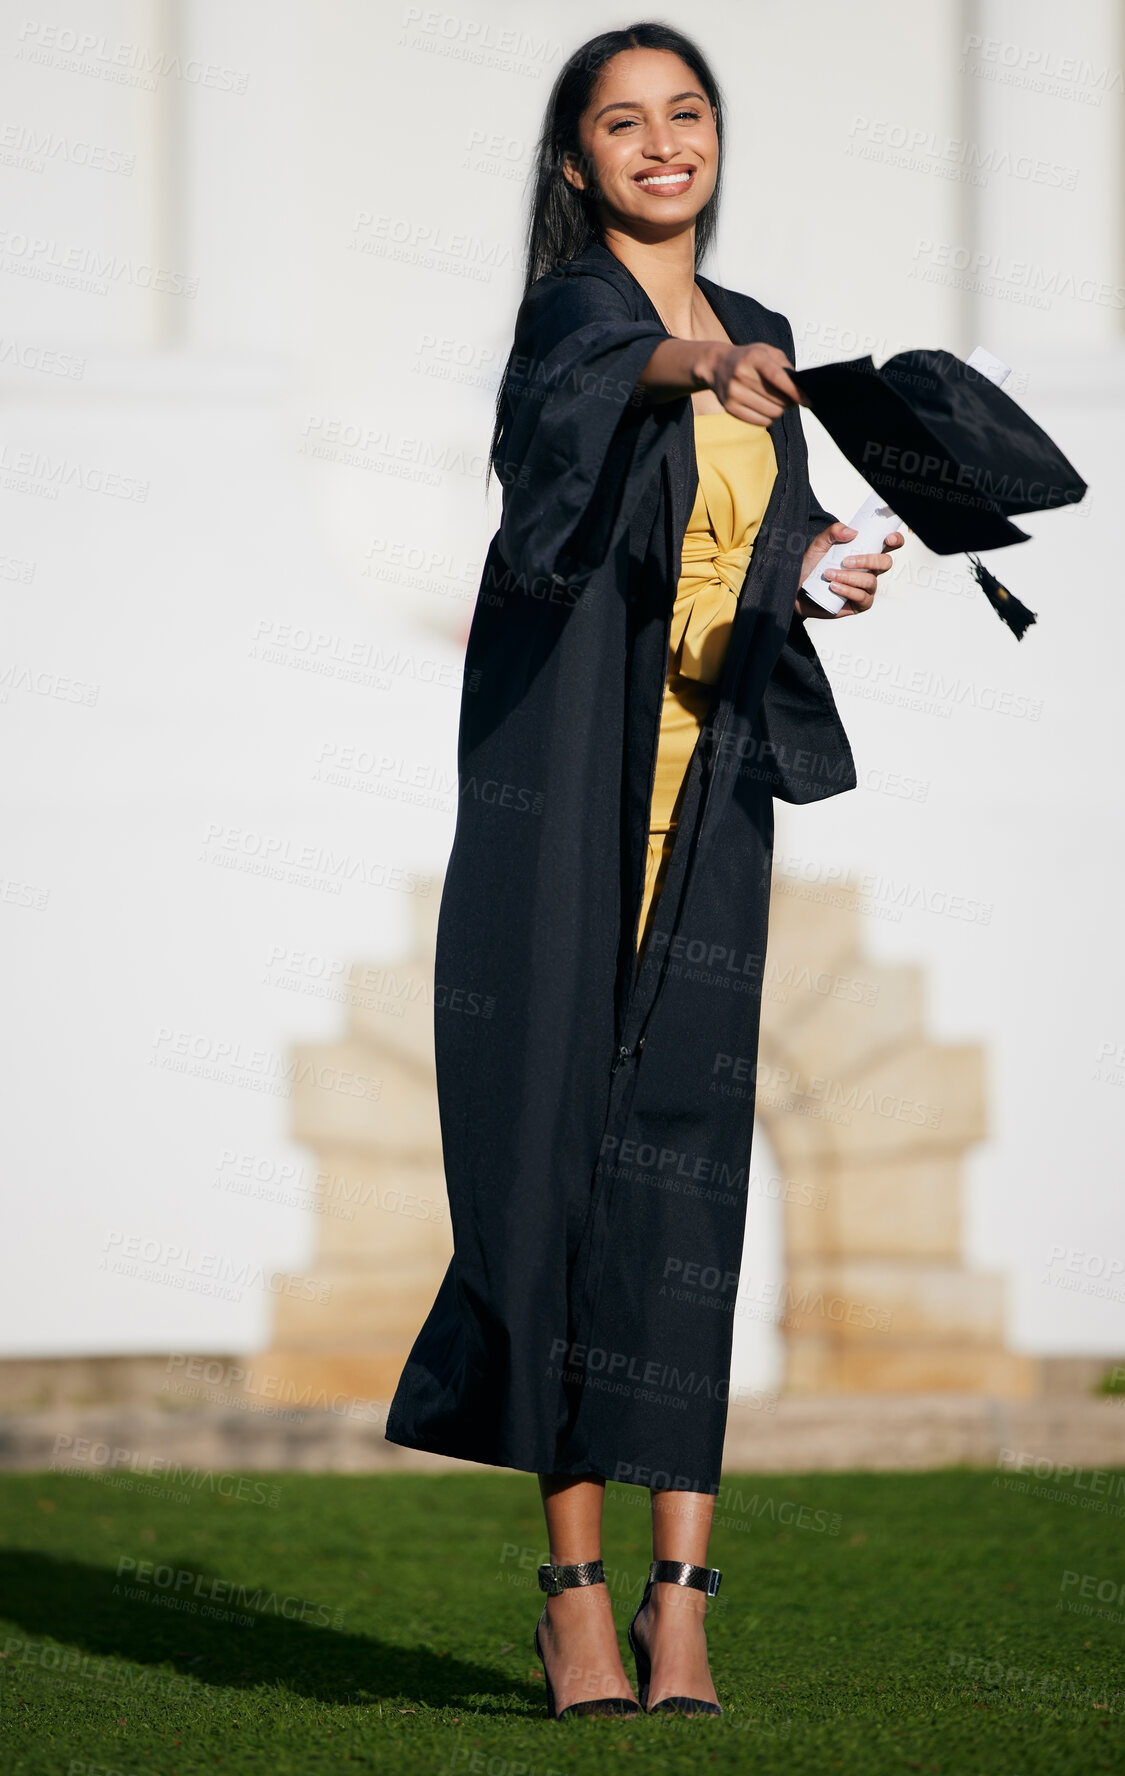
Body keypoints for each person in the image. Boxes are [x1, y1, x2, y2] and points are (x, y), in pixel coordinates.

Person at [385, 21, 902, 1719]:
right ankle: (571, 1596)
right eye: (623, 121)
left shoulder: (764, 334)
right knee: (554, 1170)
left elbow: (735, 548)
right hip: (569, 799)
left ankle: (684, 1599)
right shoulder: (576, 322)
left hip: (713, 799)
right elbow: (574, 446)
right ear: (574, 160)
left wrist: (818, 564)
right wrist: (688, 375)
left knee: (686, 1178)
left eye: (684, 115)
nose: (660, 142)